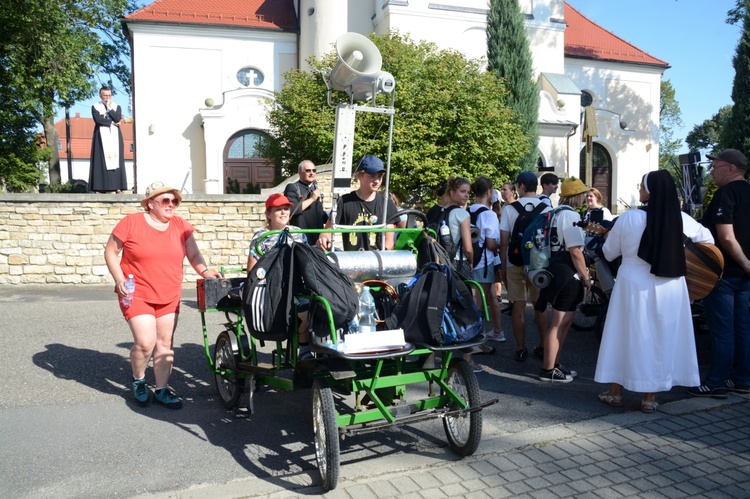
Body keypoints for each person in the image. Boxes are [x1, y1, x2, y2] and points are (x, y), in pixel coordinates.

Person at [595, 170, 713, 412]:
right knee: (660, 336)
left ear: (650, 191)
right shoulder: (682, 220)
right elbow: (708, 241)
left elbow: (608, 253)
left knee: (624, 334)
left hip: (632, 284)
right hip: (669, 284)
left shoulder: (629, 218)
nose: (639, 190)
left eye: (641, 186)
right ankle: (650, 398)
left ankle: (615, 393)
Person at [104, 182, 222, 409]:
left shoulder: (180, 226)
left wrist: (205, 272)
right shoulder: (131, 223)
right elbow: (111, 251)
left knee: (165, 343)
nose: (171, 205)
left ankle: (161, 389)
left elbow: (193, 253)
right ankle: (139, 380)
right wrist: (119, 279)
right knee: (145, 343)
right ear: (151, 204)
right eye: (165, 201)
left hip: (169, 293)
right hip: (136, 292)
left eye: (174, 201)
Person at [688, 149, 750, 398]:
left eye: (716, 166)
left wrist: (745, 263)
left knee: (722, 331)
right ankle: (743, 379)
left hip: (722, 273)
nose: (712, 171)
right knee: (743, 327)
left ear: (732, 168)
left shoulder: (727, 194)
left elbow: (725, 236)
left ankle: (716, 382)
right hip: (744, 276)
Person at [536, 178, 590, 383]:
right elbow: (575, 250)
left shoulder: (553, 213)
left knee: (562, 322)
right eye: (583, 193)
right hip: (568, 272)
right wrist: (586, 277)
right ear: (577, 195)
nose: (585, 196)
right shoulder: (571, 216)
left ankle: (554, 365)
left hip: (553, 268)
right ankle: (549, 369)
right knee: (560, 323)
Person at [247, 193, 312, 359]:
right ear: (268, 214)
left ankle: (315, 349)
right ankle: (304, 351)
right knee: (299, 306)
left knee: (320, 303)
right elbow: (252, 269)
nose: (284, 213)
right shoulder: (261, 236)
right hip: (272, 283)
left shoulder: (298, 232)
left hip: (296, 280)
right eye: (278, 210)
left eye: (286, 209)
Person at [500, 171, 550, 362]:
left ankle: (520, 348)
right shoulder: (546, 208)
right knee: (540, 306)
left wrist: (503, 267)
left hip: (515, 262)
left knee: (518, 306)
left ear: (520, 186)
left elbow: (504, 241)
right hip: (539, 264)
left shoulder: (510, 209)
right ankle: (544, 346)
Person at [317, 154, 398, 252]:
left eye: (380, 176)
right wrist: (323, 238)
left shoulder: (387, 204)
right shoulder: (344, 202)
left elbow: (389, 240)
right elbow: (328, 230)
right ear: (359, 175)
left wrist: (383, 250)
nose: (377, 181)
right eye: (372, 176)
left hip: (378, 261)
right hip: (351, 262)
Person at [468, 177, 505, 345]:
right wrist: (502, 244)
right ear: (489, 191)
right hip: (484, 262)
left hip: (470, 260)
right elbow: (491, 244)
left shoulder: (467, 210)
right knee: (481, 301)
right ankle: (477, 337)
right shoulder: (489, 215)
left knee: (484, 296)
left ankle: (496, 331)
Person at [89, 86, 128, 193]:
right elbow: (98, 119)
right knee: (101, 160)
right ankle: (100, 187)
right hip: (101, 136)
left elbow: (117, 117)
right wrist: (111, 123)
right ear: (100, 96)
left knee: (116, 159)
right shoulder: (95, 106)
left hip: (115, 135)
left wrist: (109, 108)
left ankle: (117, 186)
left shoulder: (116, 106)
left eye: (109, 95)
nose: (107, 98)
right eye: (105, 95)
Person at [283, 160, 327, 245]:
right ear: (299, 172)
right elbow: (292, 210)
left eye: (314, 170)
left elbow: (319, 214)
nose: (311, 173)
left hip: (317, 239)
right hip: (301, 238)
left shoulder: (315, 189)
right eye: (308, 170)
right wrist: (312, 199)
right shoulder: (292, 187)